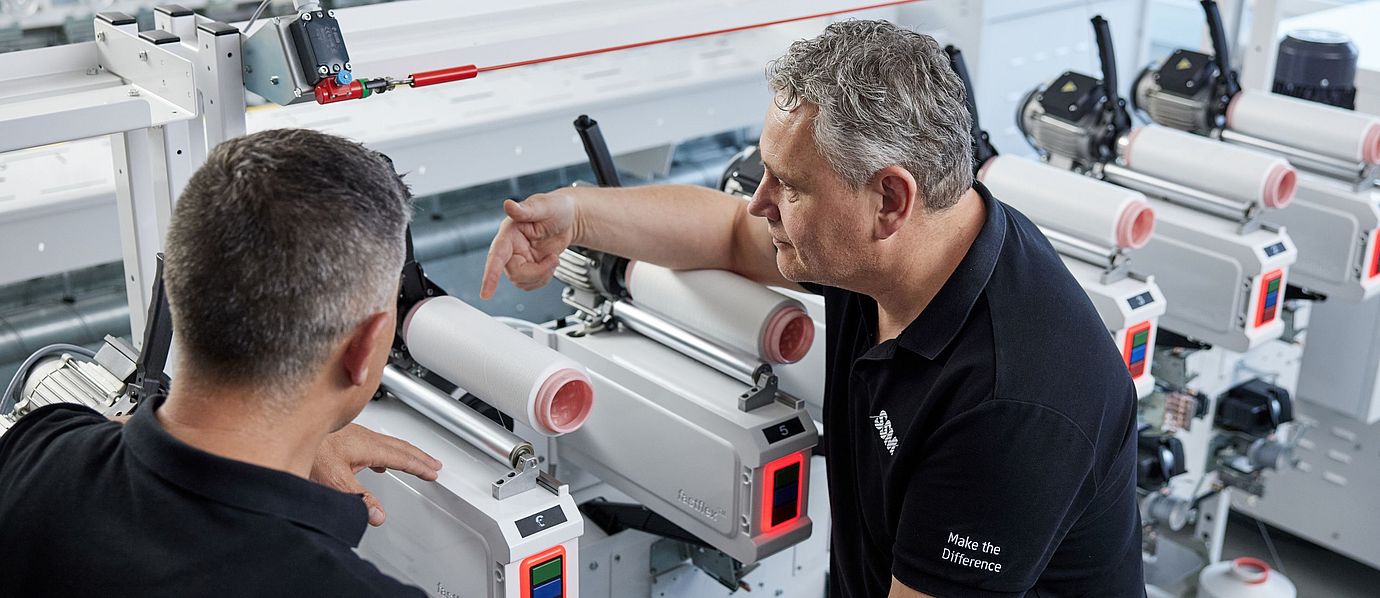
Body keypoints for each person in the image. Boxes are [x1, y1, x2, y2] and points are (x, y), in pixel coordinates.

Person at [482, 20, 1144, 598]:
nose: (759, 202)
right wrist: (575, 215)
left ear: (890, 200)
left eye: (790, 186)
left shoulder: (1010, 407)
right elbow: (726, 233)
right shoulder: (919, 246)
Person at [0, 129, 440, 596]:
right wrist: (297, 437)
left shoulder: (39, 448)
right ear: (366, 346)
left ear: (180, 291)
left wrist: (298, 440)